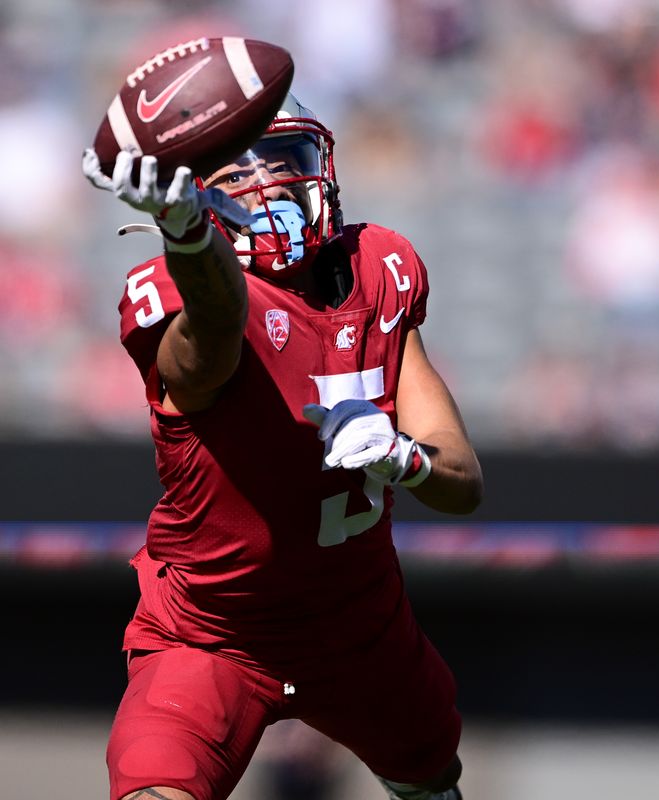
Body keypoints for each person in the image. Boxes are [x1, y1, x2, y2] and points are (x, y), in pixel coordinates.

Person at [83, 90, 482, 800]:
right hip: (212, 635)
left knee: (435, 783)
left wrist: (403, 457)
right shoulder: (180, 290)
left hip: (362, 626)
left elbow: (461, 480)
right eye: (235, 174)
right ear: (194, 198)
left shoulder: (378, 266)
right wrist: (189, 241)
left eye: (282, 160)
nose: (267, 185)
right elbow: (209, 341)